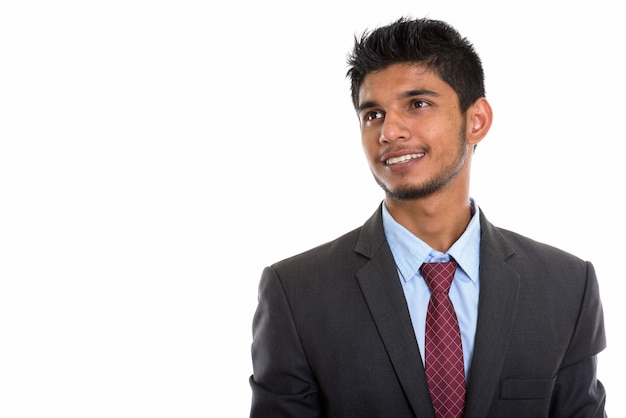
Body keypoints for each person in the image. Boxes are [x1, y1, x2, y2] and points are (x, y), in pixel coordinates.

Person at [249, 16, 607, 418]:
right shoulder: (297, 294)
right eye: (373, 115)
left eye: (417, 104)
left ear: (477, 121)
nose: (389, 131)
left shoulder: (565, 287)